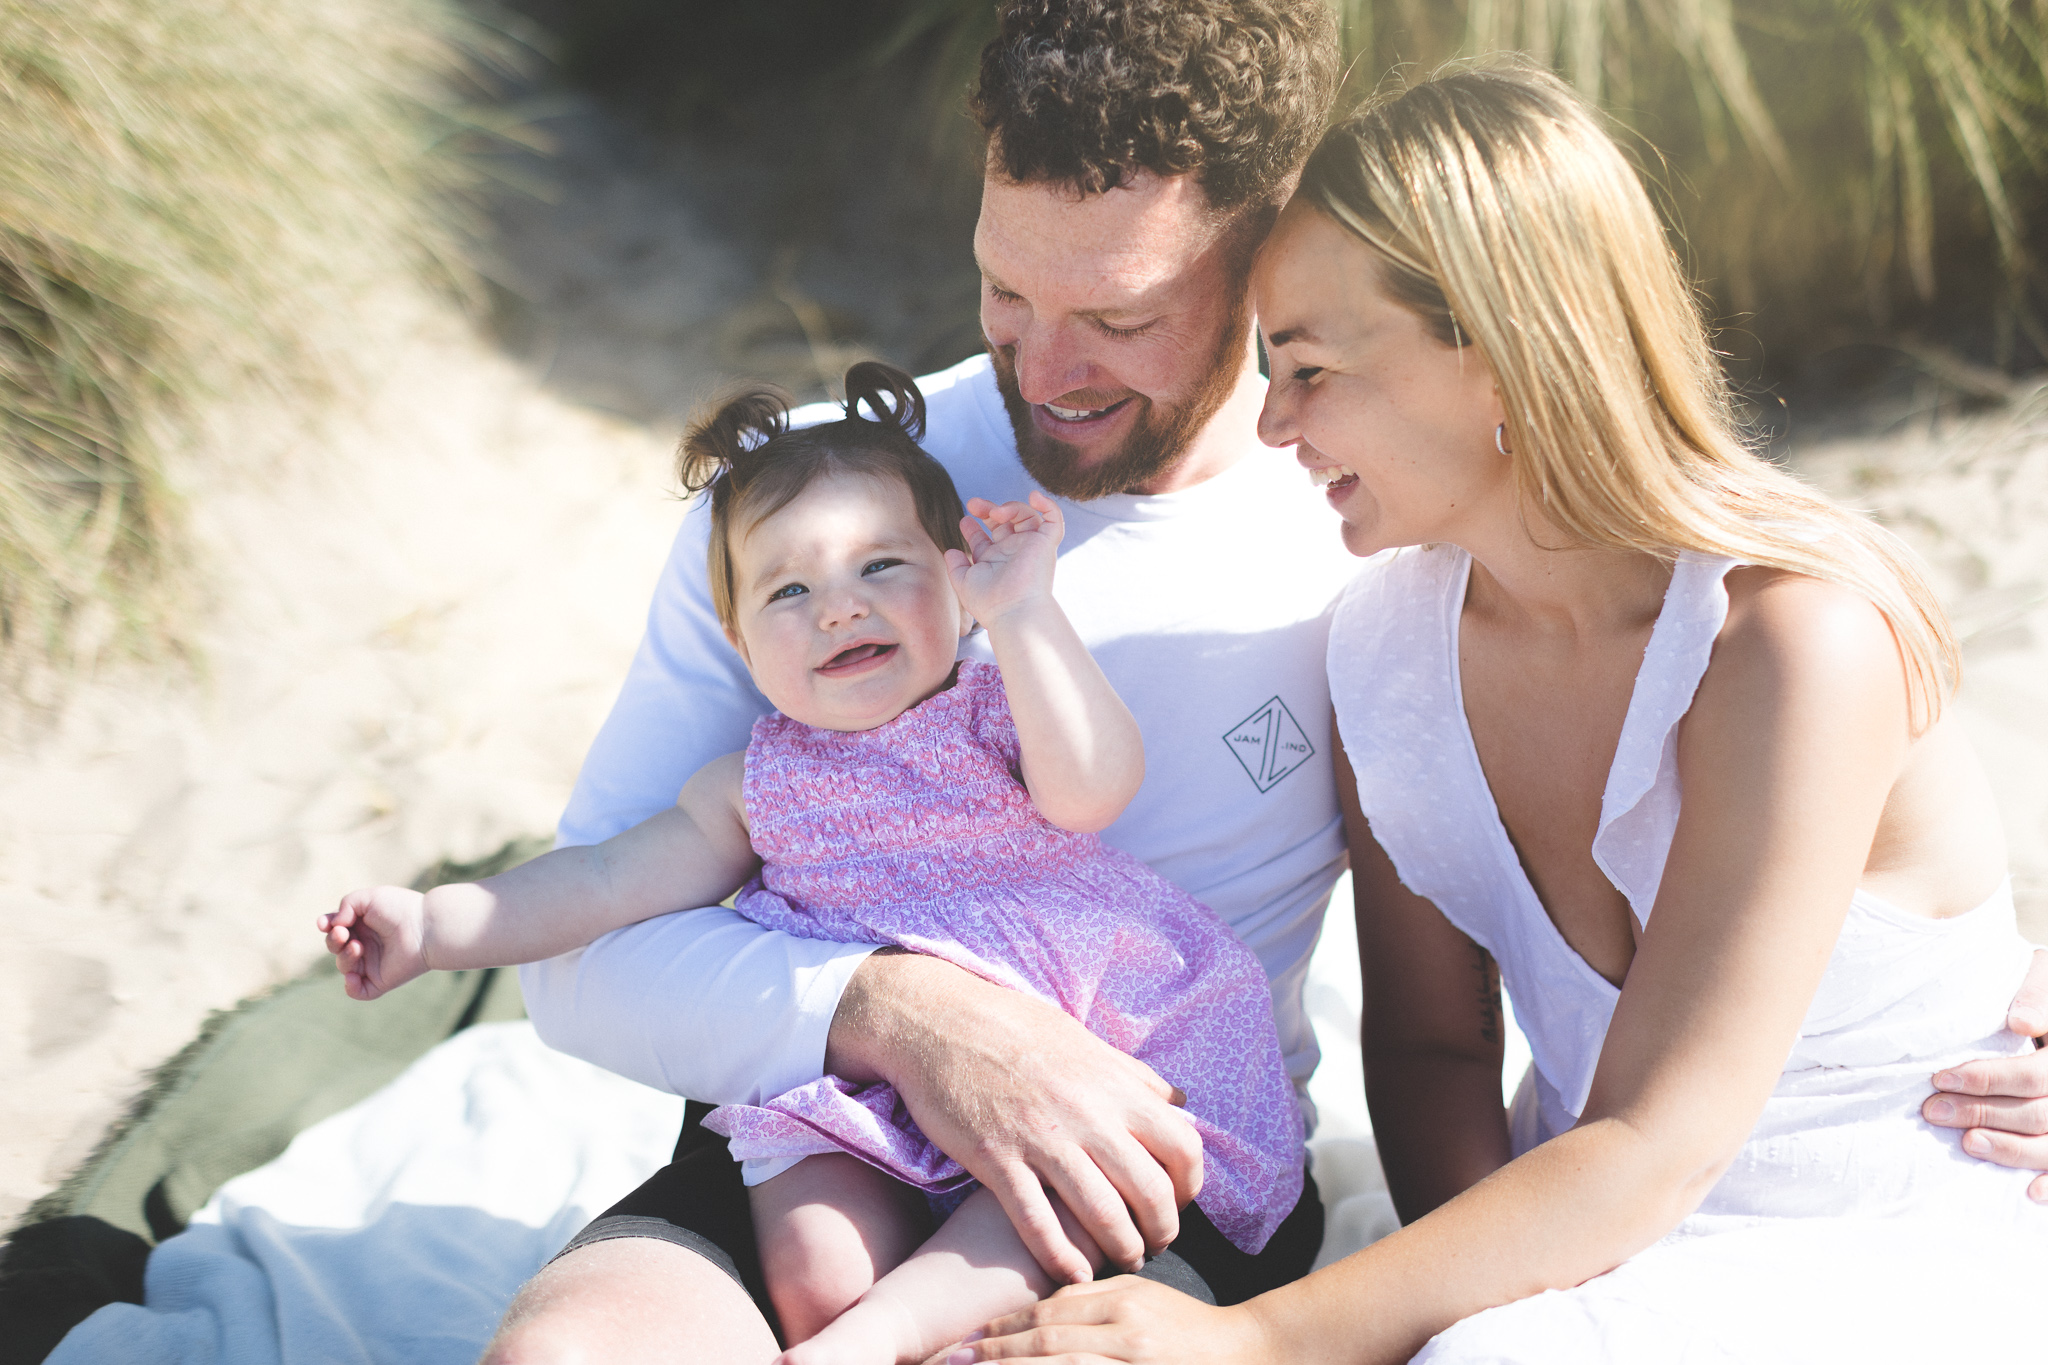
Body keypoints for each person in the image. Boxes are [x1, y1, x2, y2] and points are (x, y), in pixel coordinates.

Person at [487, 4, 2048, 1359]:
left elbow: (1835, 867)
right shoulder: (814, 514)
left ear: (1262, 265)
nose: (1041, 371)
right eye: (1004, 294)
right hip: (822, 1124)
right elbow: (570, 951)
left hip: (1166, 1167)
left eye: (1119, 316)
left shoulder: (1365, 544)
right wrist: (890, 1014)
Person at [954, 63, 2048, 1365]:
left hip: (1874, 1243)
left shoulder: (1792, 645)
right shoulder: (1386, 645)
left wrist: (1255, 1341)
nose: (1279, 420)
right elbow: (1428, 1047)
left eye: (1307, 367)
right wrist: (1471, 1311)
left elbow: (1656, 1143)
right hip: (1573, 1229)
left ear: (1496, 349)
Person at [316, 363, 1304, 1365]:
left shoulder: (987, 707)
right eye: (790, 589)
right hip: (865, 1088)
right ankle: (837, 1325)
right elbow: (605, 883)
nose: (838, 607)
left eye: (880, 567)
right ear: (741, 646)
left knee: (1049, 1210)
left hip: (1080, 1042)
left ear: (953, 583)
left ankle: (874, 1340)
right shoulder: (753, 785)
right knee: (814, 1264)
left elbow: (1093, 787)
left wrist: (1022, 610)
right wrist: (435, 926)